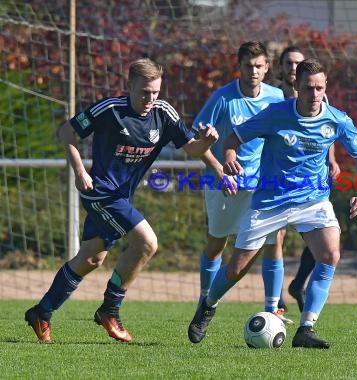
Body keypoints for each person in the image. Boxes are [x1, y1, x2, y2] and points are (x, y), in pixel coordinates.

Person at [24, 58, 219, 343]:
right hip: (100, 191)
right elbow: (66, 132)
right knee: (147, 242)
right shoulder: (111, 109)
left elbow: (191, 148)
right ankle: (110, 309)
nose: (150, 99)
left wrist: (208, 142)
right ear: (130, 86)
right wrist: (79, 171)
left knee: (91, 258)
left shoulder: (163, 113)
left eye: (155, 92)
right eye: (144, 92)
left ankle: (41, 312)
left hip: (121, 197)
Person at [188, 57, 357, 349]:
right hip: (269, 202)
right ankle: (208, 304)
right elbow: (233, 138)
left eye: (320, 88)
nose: (314, 95)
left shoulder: (337, 119)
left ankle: (306, 329)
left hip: (313, 200)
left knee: (330, 254)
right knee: (236, 268)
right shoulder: (275, 113)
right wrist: (230, 157)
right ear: (296, 86)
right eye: (309, 88)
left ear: (326, 88)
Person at [192, 41, 291, 321]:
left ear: (267, 68)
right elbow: (196, 141)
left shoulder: (276, 98)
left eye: (259, 66)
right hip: (223, 184)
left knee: (273, 243)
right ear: (239, 67)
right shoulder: (222, 98)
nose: (253, 71)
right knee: (217, 244)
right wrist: (220, 170)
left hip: (262, 186)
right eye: (248, 66)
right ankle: (205, 301)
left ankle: (273, 309)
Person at [275, 46, 341, 312]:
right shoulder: (274, 97)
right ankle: (276, 298)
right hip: (278, 177)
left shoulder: (317, 96)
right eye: (289, 63)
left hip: (312, 177)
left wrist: (333, 159)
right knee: (276, 238)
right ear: (280, 67)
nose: (293, 67)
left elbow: (327, 131)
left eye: (298, 63)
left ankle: (299, 283)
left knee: (320, 235)